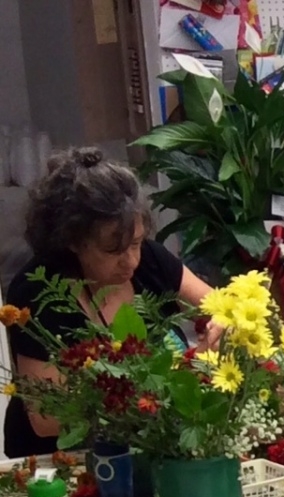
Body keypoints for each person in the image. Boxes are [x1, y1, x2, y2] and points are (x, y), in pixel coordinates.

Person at [4, 147, 214, 458]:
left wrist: (223, 323)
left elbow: (221, 305)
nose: (131, 261)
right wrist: (163, 392)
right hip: (62, 460)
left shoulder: (150, 260)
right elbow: (47, 418)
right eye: (112, 250)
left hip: (149, 446)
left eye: (136, 243)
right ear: (73, 242)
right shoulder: (38, 290)